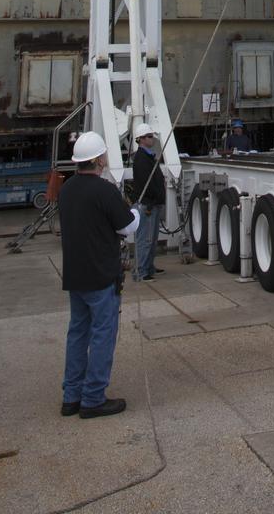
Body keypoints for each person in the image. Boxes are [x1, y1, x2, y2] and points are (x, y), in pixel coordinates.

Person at [58, 131, 140, 419]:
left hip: (75, 275)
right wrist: (136, 213)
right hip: (101, 275)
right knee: (104, 335)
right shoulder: (104, 191)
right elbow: (127, 227)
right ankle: (93, 399)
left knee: (78, 333)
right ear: (99, 160)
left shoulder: (67, 190)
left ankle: (72, 397)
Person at [132, 125, 166, 282]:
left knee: (151, 240)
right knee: (145, 239)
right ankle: (141, 271)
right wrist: (155, 197)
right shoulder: (141, 158)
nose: (152, 138)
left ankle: (149, 267)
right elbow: (147, 182)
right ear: (141, 139)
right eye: (149, 136)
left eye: (152, 136)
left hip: (153, 203)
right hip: (148, 205)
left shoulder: (148, 156)